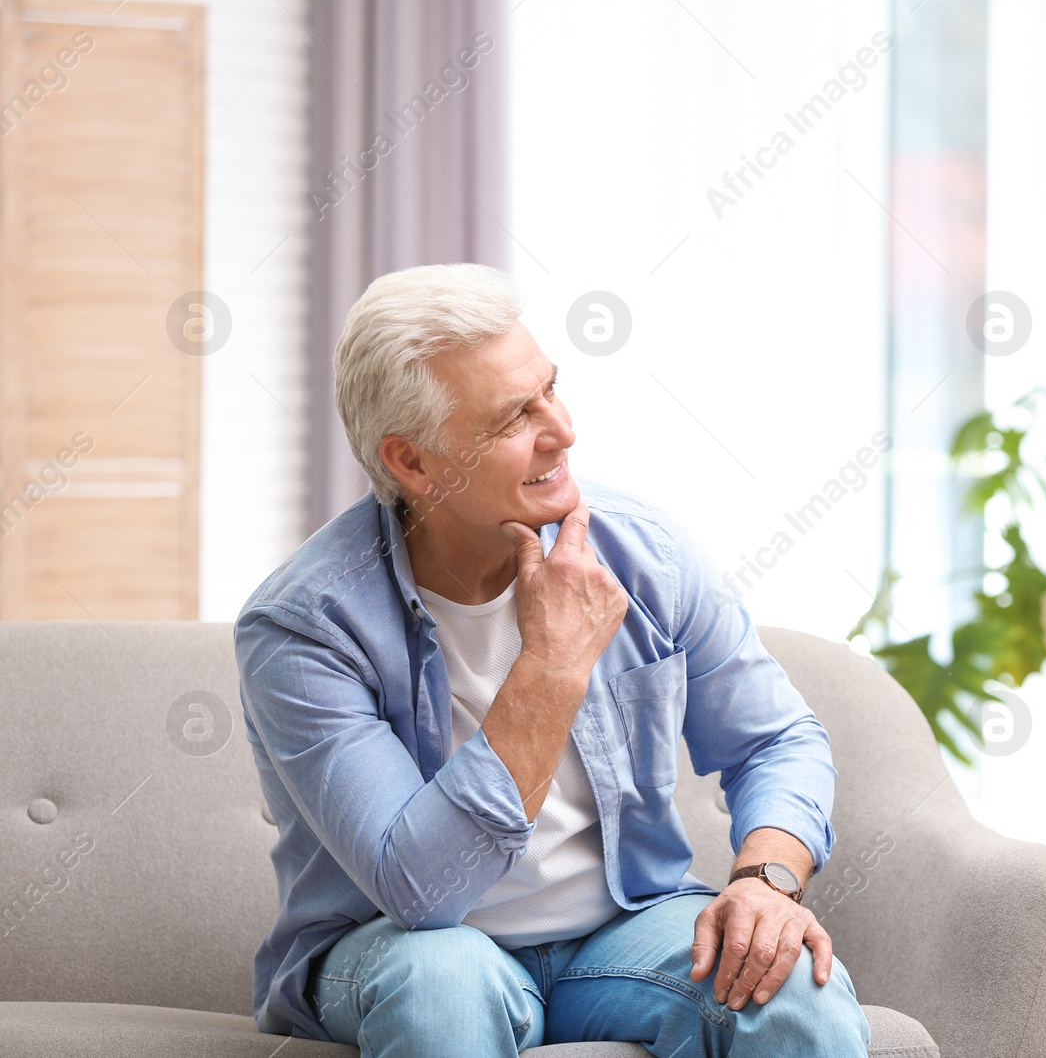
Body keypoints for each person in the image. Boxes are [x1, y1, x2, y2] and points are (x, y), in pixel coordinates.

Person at [235, 263, 870, 1057]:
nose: (561, 429)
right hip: (401, 943)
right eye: (513, 418)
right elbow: (421, 891)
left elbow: (776, 739)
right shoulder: (303, 627)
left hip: (622, 928)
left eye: (550, 390)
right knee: (443, 985)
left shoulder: (646, 554)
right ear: (412, 462)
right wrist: (554, 665)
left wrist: (765, 880)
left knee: (794, 995)